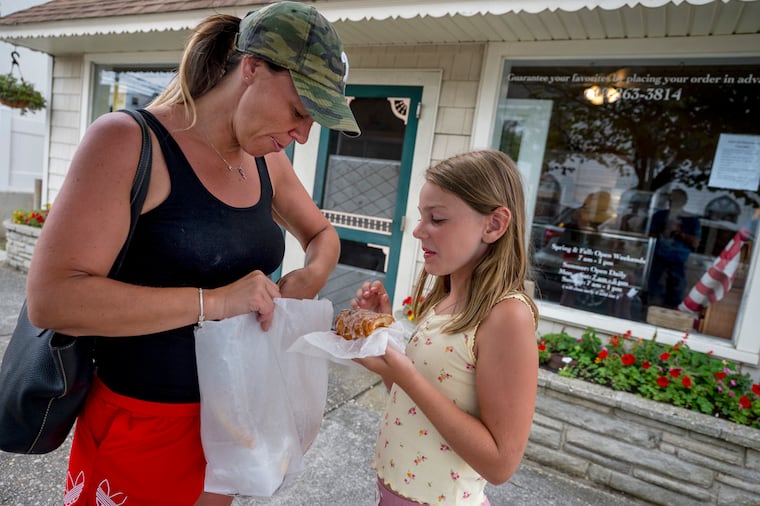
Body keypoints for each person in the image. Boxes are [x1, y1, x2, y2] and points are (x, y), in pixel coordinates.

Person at [25, 3, 359, 505]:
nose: (304, 134)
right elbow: (53, 299)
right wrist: (216, 301)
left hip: (233, 423)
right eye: (298, 111)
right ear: (252, 68)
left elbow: (323, 236)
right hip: (142, 425)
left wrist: (311, 274)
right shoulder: (129, 141)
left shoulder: (267, 160)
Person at [351, 150, 539, 505]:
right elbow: (410, 395)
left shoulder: (506, 316)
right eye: (423, 216)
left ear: (494, 225)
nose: (419, 230)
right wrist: (384, 333)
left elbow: (501, 465)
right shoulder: (446, 299)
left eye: (436, 218)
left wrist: (406, 374)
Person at [646, 188, 702, 309]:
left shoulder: (691, 220)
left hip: (678, 262)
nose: (673, 201)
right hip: (657, 260)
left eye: (677, 199)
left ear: (684, 201)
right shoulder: (659, 216)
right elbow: (648, 237)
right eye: (671, 198)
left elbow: (696, 243)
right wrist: (663, 230)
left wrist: (680, 232)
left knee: (675, 295)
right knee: (653, 294)